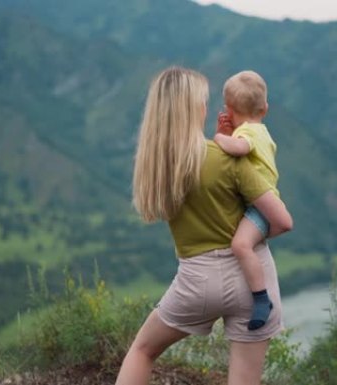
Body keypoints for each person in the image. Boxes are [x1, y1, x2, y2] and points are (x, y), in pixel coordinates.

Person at [115, 66, 293, 385]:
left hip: (196, 280)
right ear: (194, 108)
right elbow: (282, 221)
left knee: (142, 351)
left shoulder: (158, 166)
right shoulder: (228, 159)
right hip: (252, 283)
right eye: (203, 101)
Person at [213, 70, 279, 331]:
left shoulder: (247, 134)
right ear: (265, 109)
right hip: (261, 204)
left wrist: (219, 137)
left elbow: (239, 149)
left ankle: (261, 299)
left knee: (240, 245)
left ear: (228, 111)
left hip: (260, 207)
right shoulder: (262, 130)